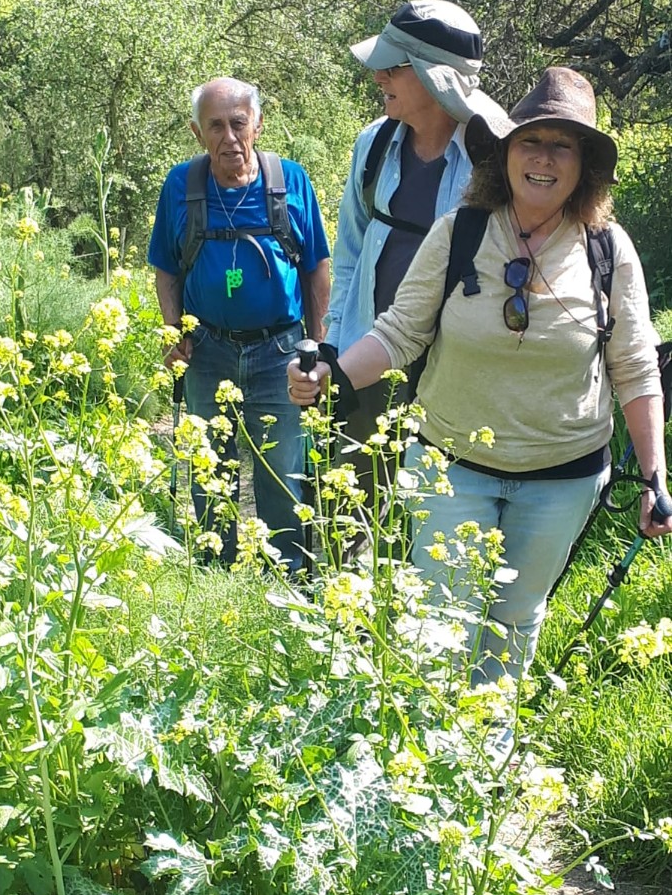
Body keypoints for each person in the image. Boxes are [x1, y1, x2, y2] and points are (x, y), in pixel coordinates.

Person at [288, 66, 672, 679]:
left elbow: (634, 367)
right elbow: (398, 333)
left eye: (562, 145)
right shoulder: (461, 232)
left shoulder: (608, 249)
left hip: (563, 477)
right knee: (439, 623)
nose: (542, 158)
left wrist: (654, 477)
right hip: (450, 468)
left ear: (584, 166)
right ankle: (432, 763)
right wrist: (330, 369)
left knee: (517, 618)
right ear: (506, 153)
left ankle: (488, 756)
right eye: (530, 141)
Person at [325, 0, 506, 495]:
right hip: (369, 357)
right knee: (351, 506)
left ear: (432, 76)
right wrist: (335, 349)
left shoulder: (498, 157)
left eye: (392, 66)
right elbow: (351, 255)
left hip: (456, 374)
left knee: (435, 510)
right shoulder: (373, 146)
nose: (378, 76)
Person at [149, 77, 330, 570]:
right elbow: (165, 270)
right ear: (197, 132)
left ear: (257, 125)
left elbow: (316, 267)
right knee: (212, 468)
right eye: (215, 126)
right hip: (207, 351)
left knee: (284, 472)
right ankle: (217, 575)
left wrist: (317, 346)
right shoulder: (180, 187)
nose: (229, 137)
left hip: (281, 352)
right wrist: (174, 334)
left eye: (238, 123)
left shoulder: (290, 180)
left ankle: (290, 579)